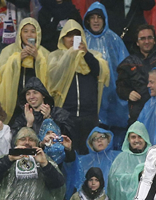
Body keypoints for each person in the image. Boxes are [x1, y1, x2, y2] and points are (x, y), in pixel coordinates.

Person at [47, 19, 110, 155]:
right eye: (69, 36)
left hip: (89, 116)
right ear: (62, 38)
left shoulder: (93, 56)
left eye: (76, 36)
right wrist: (70, 56)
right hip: (65, 116)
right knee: (68, 153)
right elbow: (53, 77)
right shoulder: (55, 57)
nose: (72, 39)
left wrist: (85, 54)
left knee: (88, 153)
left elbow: (100, 72)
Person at [0, 127, 66, 200]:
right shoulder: (6, 159)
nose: (27, 142)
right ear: (16, 143)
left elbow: (58, 185)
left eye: (31, 140)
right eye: (23, 139)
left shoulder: (45, 160)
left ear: (37, 144)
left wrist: (44, 164)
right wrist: (9, 159)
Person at [83, 2, 130, 148]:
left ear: (105, 20)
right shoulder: (81, 40)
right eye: (93, 17)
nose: (96, 21)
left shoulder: (114, 39)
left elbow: (126, 66)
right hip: (88, 94)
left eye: (99, 17)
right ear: (87, 20)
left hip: (112, 95)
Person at [0, 17, 50, 124]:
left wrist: (38, 59)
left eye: (33, 31)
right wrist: (17, 59)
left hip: (36, 105)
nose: (29, 35)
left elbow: (50, 77)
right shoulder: (9, 50)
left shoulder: (44, 53)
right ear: (20, 33)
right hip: (13, 102)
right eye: (25, 31)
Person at [108, 121, 151, 200]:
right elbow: (113, 183)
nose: (136, 140)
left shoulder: (153, 156)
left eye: (140, 136)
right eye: (133, 137)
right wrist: (137, 174)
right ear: (128, 139)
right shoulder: (120, 159)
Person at [77, 127, 120, 193]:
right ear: (91, 144)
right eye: (95, 139)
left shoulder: (118, 157)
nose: (99, 140)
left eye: (102, 137)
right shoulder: (83, 161)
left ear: (108, 140)